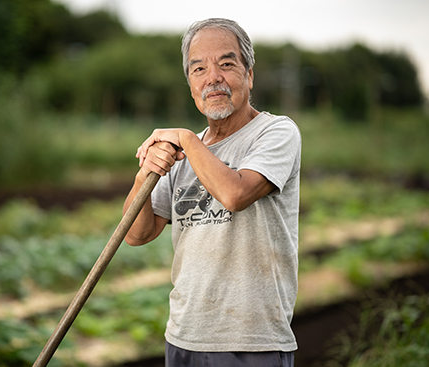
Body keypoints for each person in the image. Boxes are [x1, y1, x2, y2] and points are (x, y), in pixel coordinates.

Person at [123, 18, 301, 367]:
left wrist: (187, 139)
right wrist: (145, 171)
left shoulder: (276, 132)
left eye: (226, 64)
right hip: (183, 337)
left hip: (251, 343)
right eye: (199, 68)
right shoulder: (183, 156)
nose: (213, 78)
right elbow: (136, 233)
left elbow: (235, 194)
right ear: (190, 83)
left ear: (249, 75)